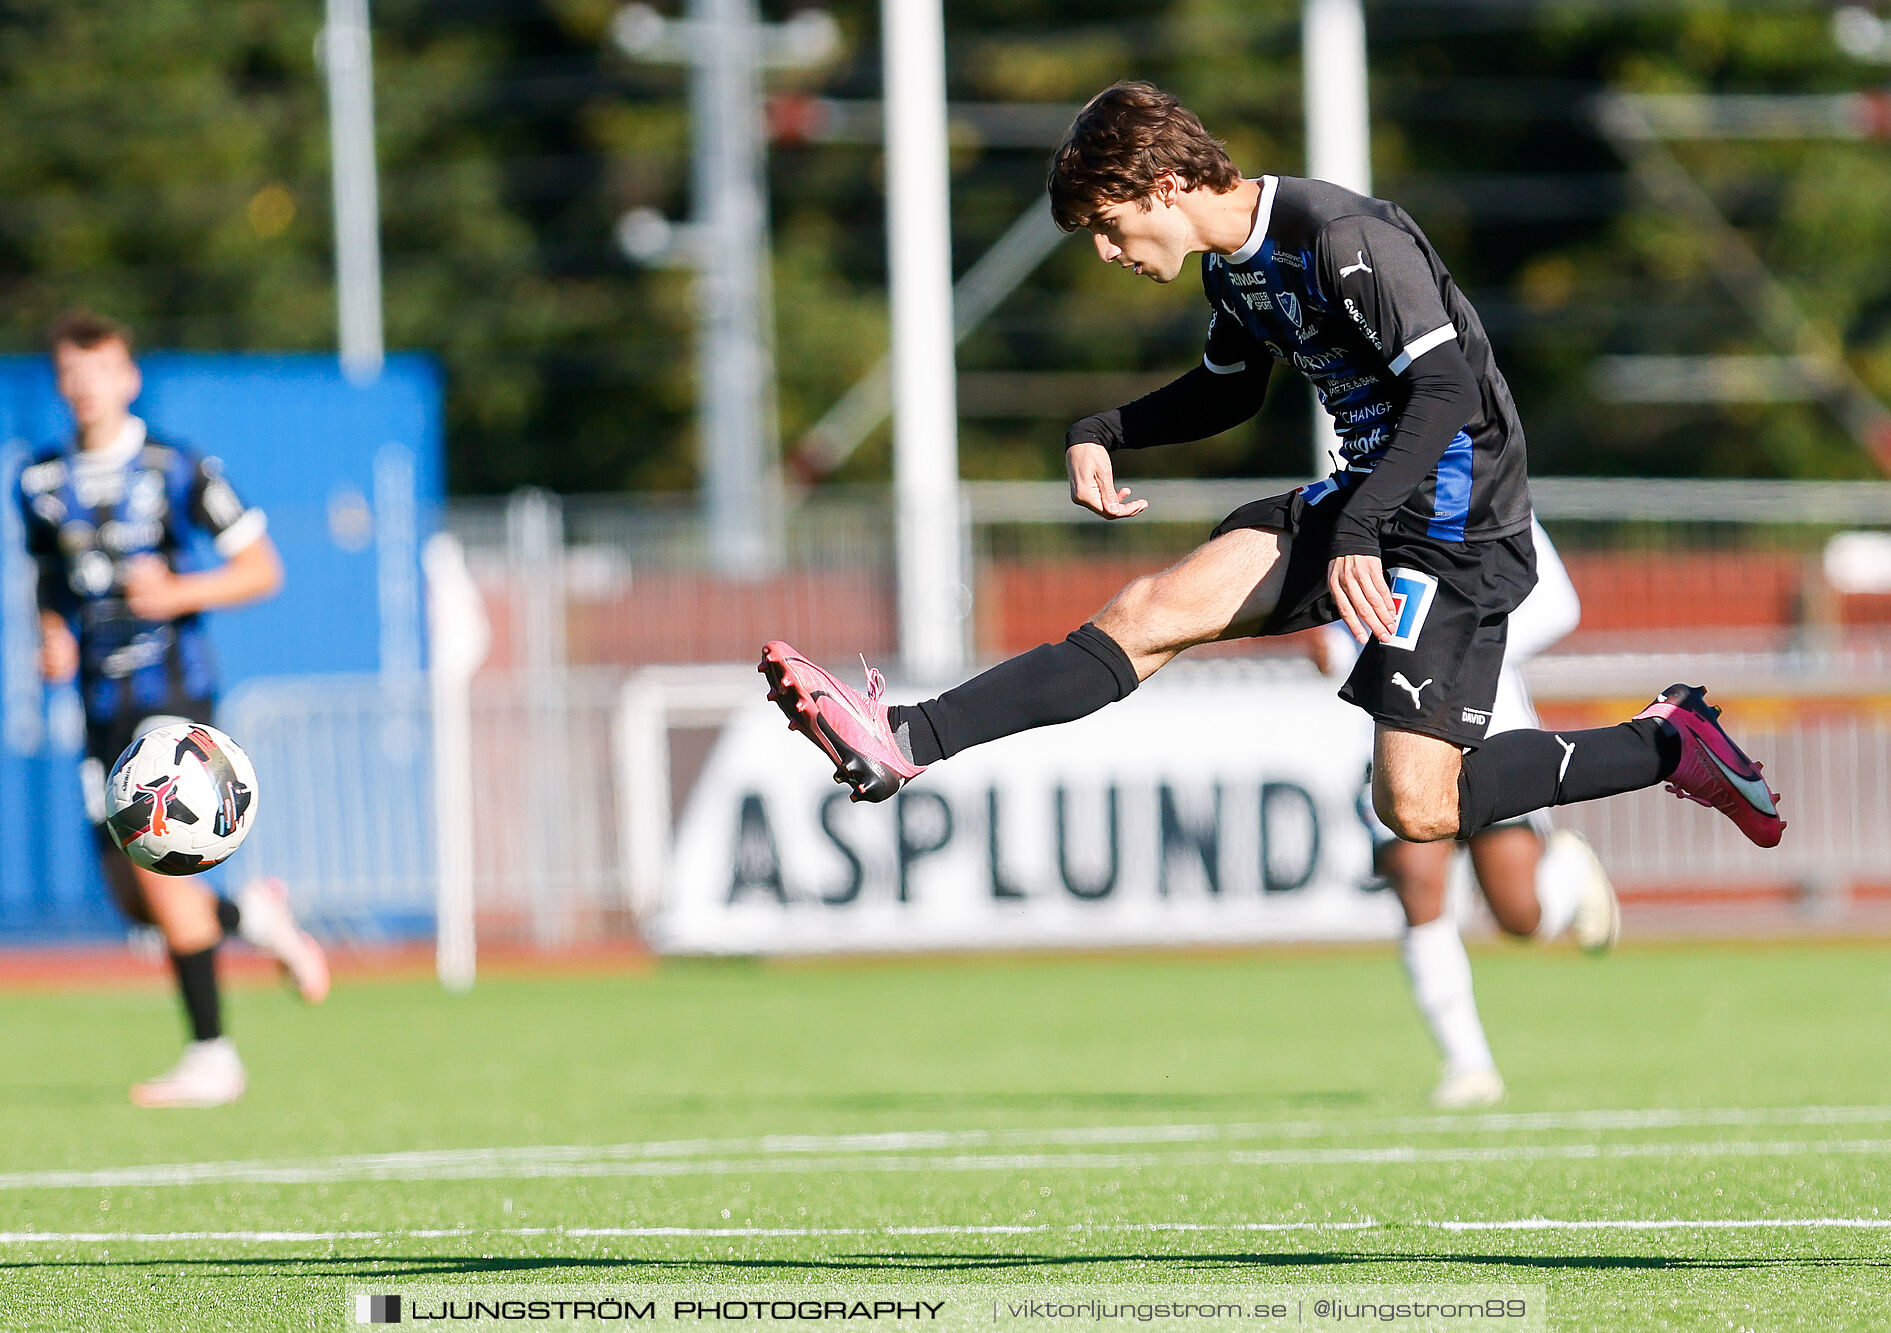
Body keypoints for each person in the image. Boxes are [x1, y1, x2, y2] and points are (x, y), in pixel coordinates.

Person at [760, 83, 1783, 888]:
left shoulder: (1340, 238)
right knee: (1149, 612)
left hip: (1456, 530)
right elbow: (1221, 393)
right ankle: (902, 740)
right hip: (1370, 505)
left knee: (1419, 808)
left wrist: (1356, 531)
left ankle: (1670, 741)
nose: (1111, 253)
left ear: (1165, 183)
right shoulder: (1234, 272)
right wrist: (1102, 429)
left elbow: (1444, 387)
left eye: (1112, 227)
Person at [17, 310, 329, 1108]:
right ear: (60, 382)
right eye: (72, 373)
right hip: (99, 707)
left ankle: (213, 1055)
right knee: (129, 894)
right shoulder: (41, 480)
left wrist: (179, 591)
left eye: (102, 370)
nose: (86, 387)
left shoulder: (176, 466)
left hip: (171, 700)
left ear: (129, 377)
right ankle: (252, 916)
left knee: (161, 869)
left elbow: (262, 568)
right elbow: (51, 581)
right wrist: (50, 636)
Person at [1314, 517, 1614, 1108]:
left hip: (1490, 724)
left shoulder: (1497, 501)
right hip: (1398, 728)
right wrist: (1332, 645)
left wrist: (1451, 648)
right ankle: (1469, 1064)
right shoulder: (1360, 509)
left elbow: (1558, 607)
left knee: (1519, 916)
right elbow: (1341, 618)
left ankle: (1569, 872)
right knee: (1417, 879)